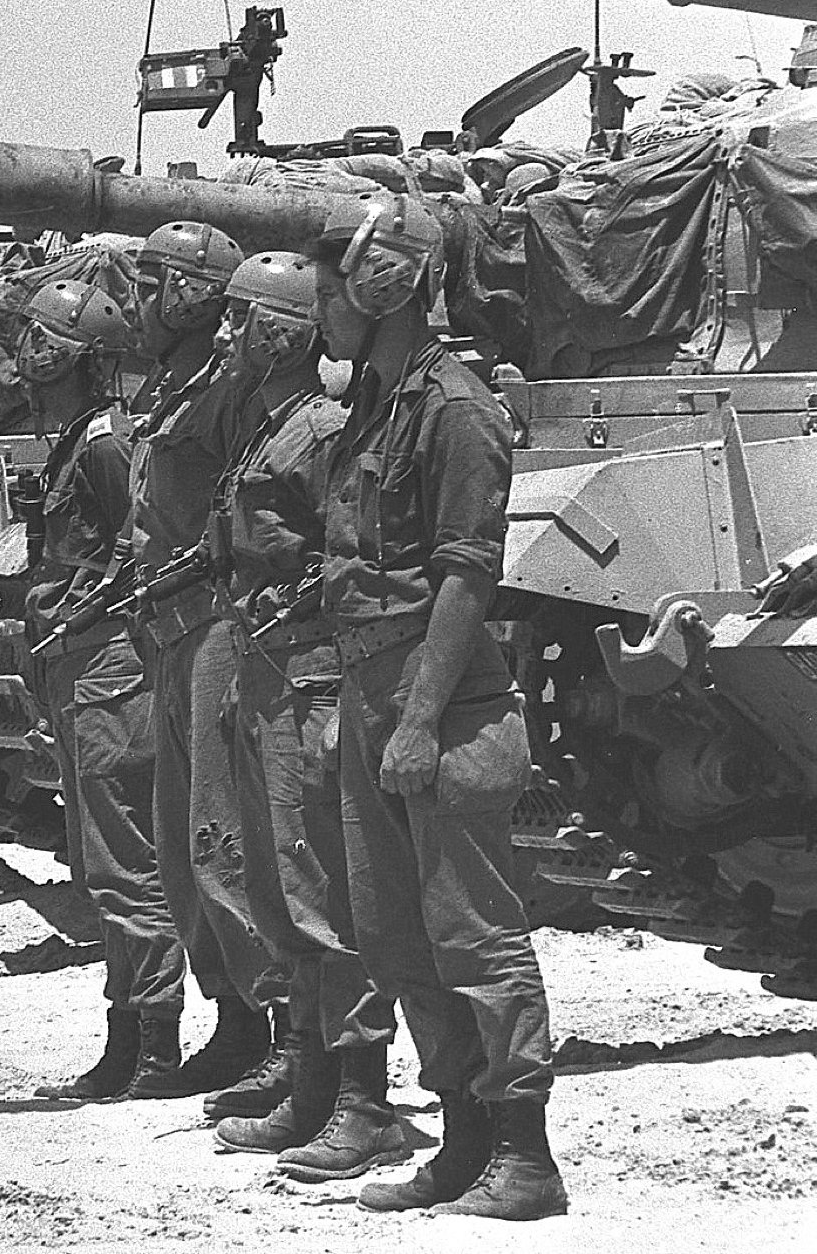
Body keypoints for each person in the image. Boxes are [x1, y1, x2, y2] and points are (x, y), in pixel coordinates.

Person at [312, 194, 564, 1220]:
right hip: (380, 697)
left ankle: (525, 1157)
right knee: (396, 937)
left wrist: (416, 719)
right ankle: (463, 1142)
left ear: (386, 283)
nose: (320, 309)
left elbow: (467, 575)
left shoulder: (455, 409)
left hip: (445, 707)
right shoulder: (376, 401)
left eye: (332, 290)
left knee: (475, 936)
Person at [202, 253, 404, 1176]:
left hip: (313, 677)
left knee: (325, 890)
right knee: (283, 891)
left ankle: (364, 1100)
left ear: (278, 333)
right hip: (266, 672)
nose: (222, 336)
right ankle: (315, 1084)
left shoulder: (320, 429)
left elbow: (355, 551)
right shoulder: (269, 425)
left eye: (239, 320)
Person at [126, 221, 292, 1114]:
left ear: (189, 293)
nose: (137, 302)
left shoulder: (234, 390)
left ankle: (277, 1024)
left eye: (152, 284)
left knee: (226, 837)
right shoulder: (173, 390)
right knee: (184, 844)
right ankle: (231, 1011)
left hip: (218, 623)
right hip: (169, 626)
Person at [14, 280, 187, 1100]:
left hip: (110, 666)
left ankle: (154, 1044)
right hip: (78, 662)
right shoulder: (78, 440)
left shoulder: (105, 444)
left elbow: (138, 546)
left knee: (127, 865)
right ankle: (127, 1034)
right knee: (99, 863)